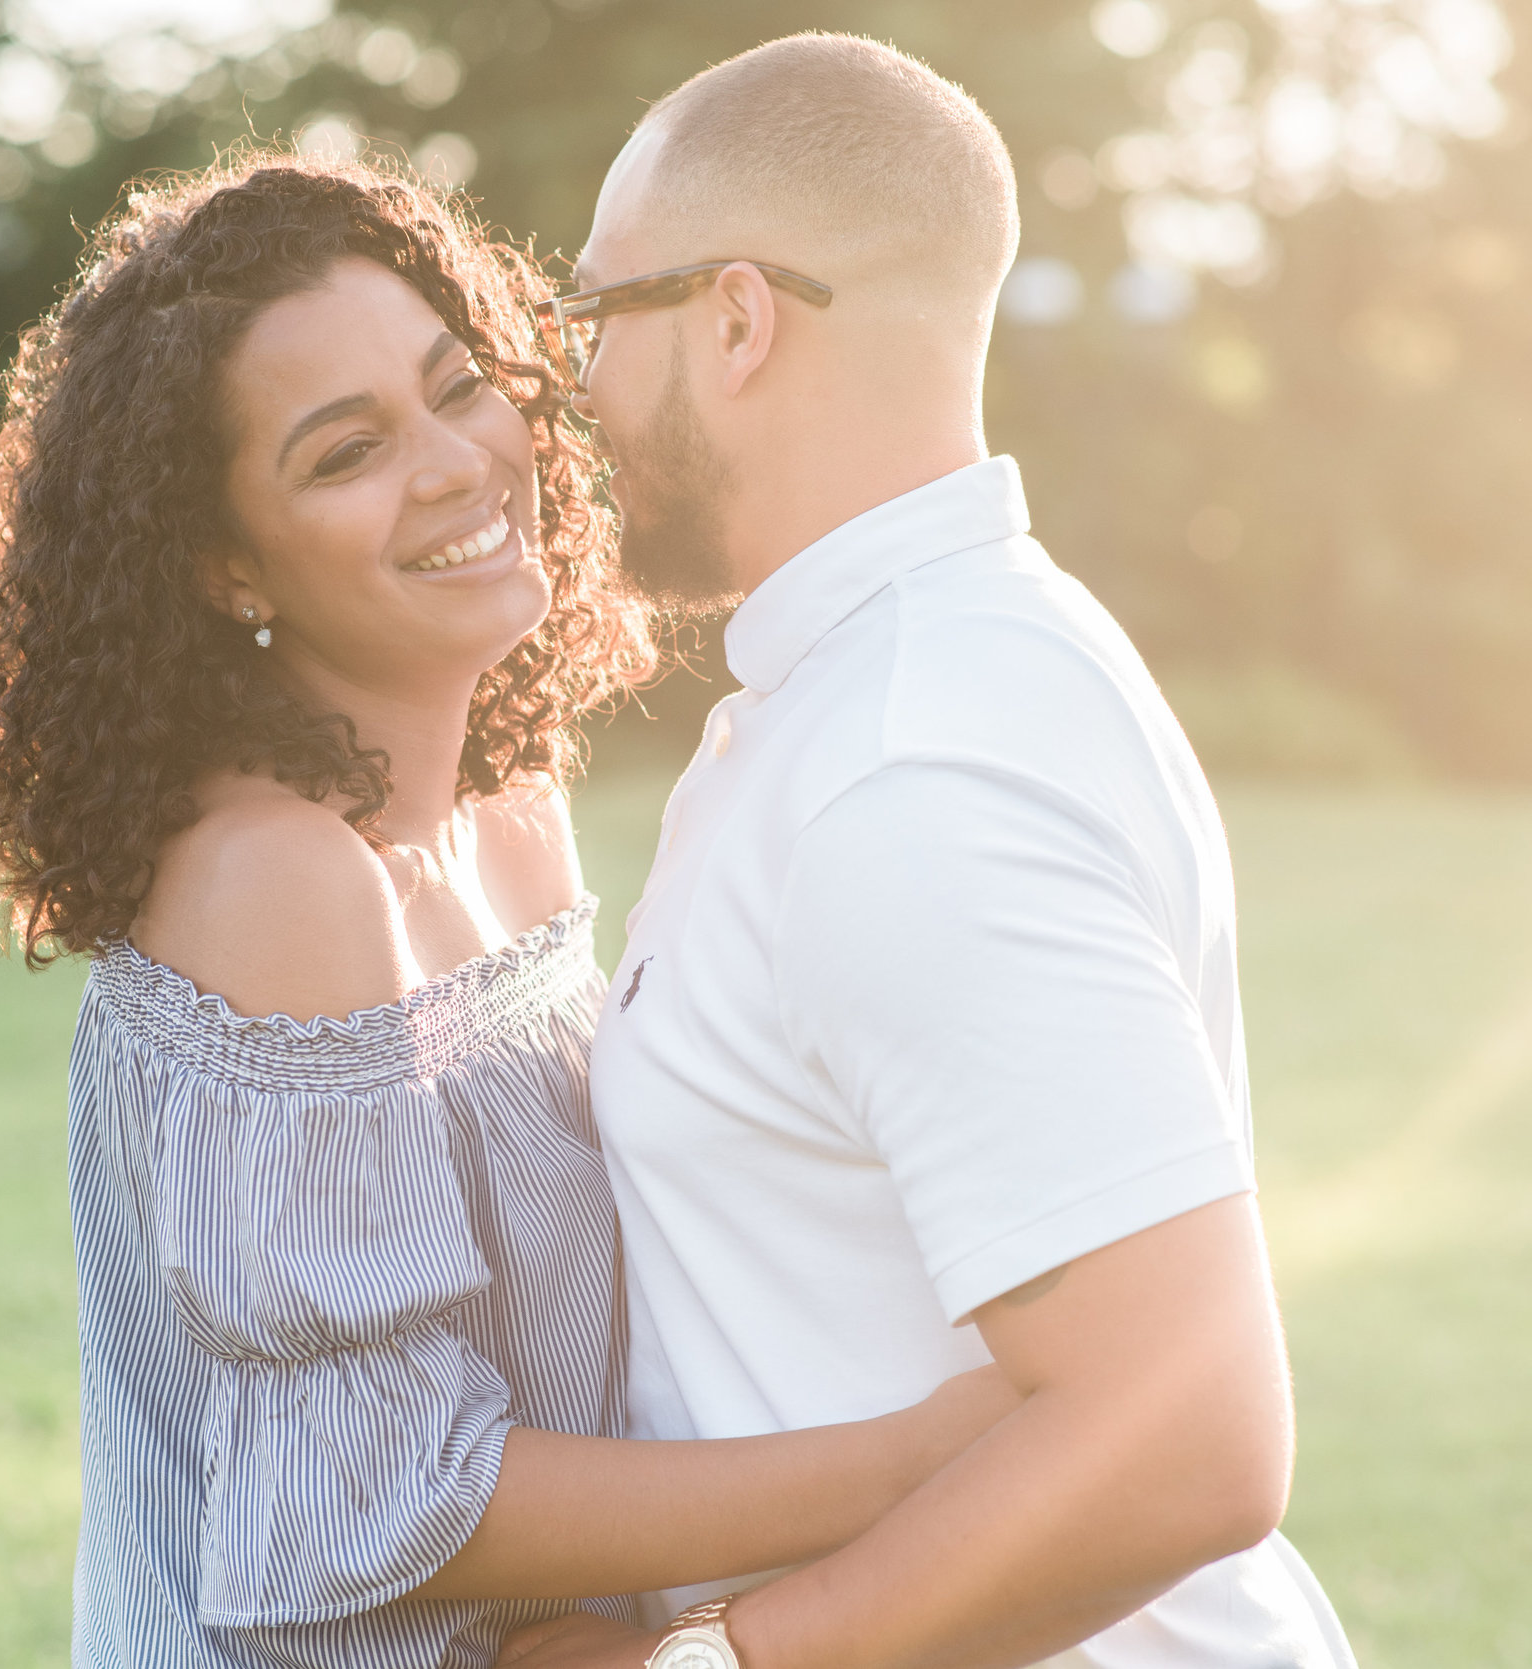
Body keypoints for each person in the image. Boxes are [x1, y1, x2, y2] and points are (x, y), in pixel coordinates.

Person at [0, 153, 1018, 1669]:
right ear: (225, 563)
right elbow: (380, 1504)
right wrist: (913, 1462)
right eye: (343, 453)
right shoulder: (277, 877)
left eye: (458, 385)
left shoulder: (511, 808)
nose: (453, 463)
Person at [507, 33, 1360, 1669]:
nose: (574, 390)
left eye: (597, 317)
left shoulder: (910, 765)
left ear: (736, 318)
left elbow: (1188, 1428)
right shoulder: (885, 685)